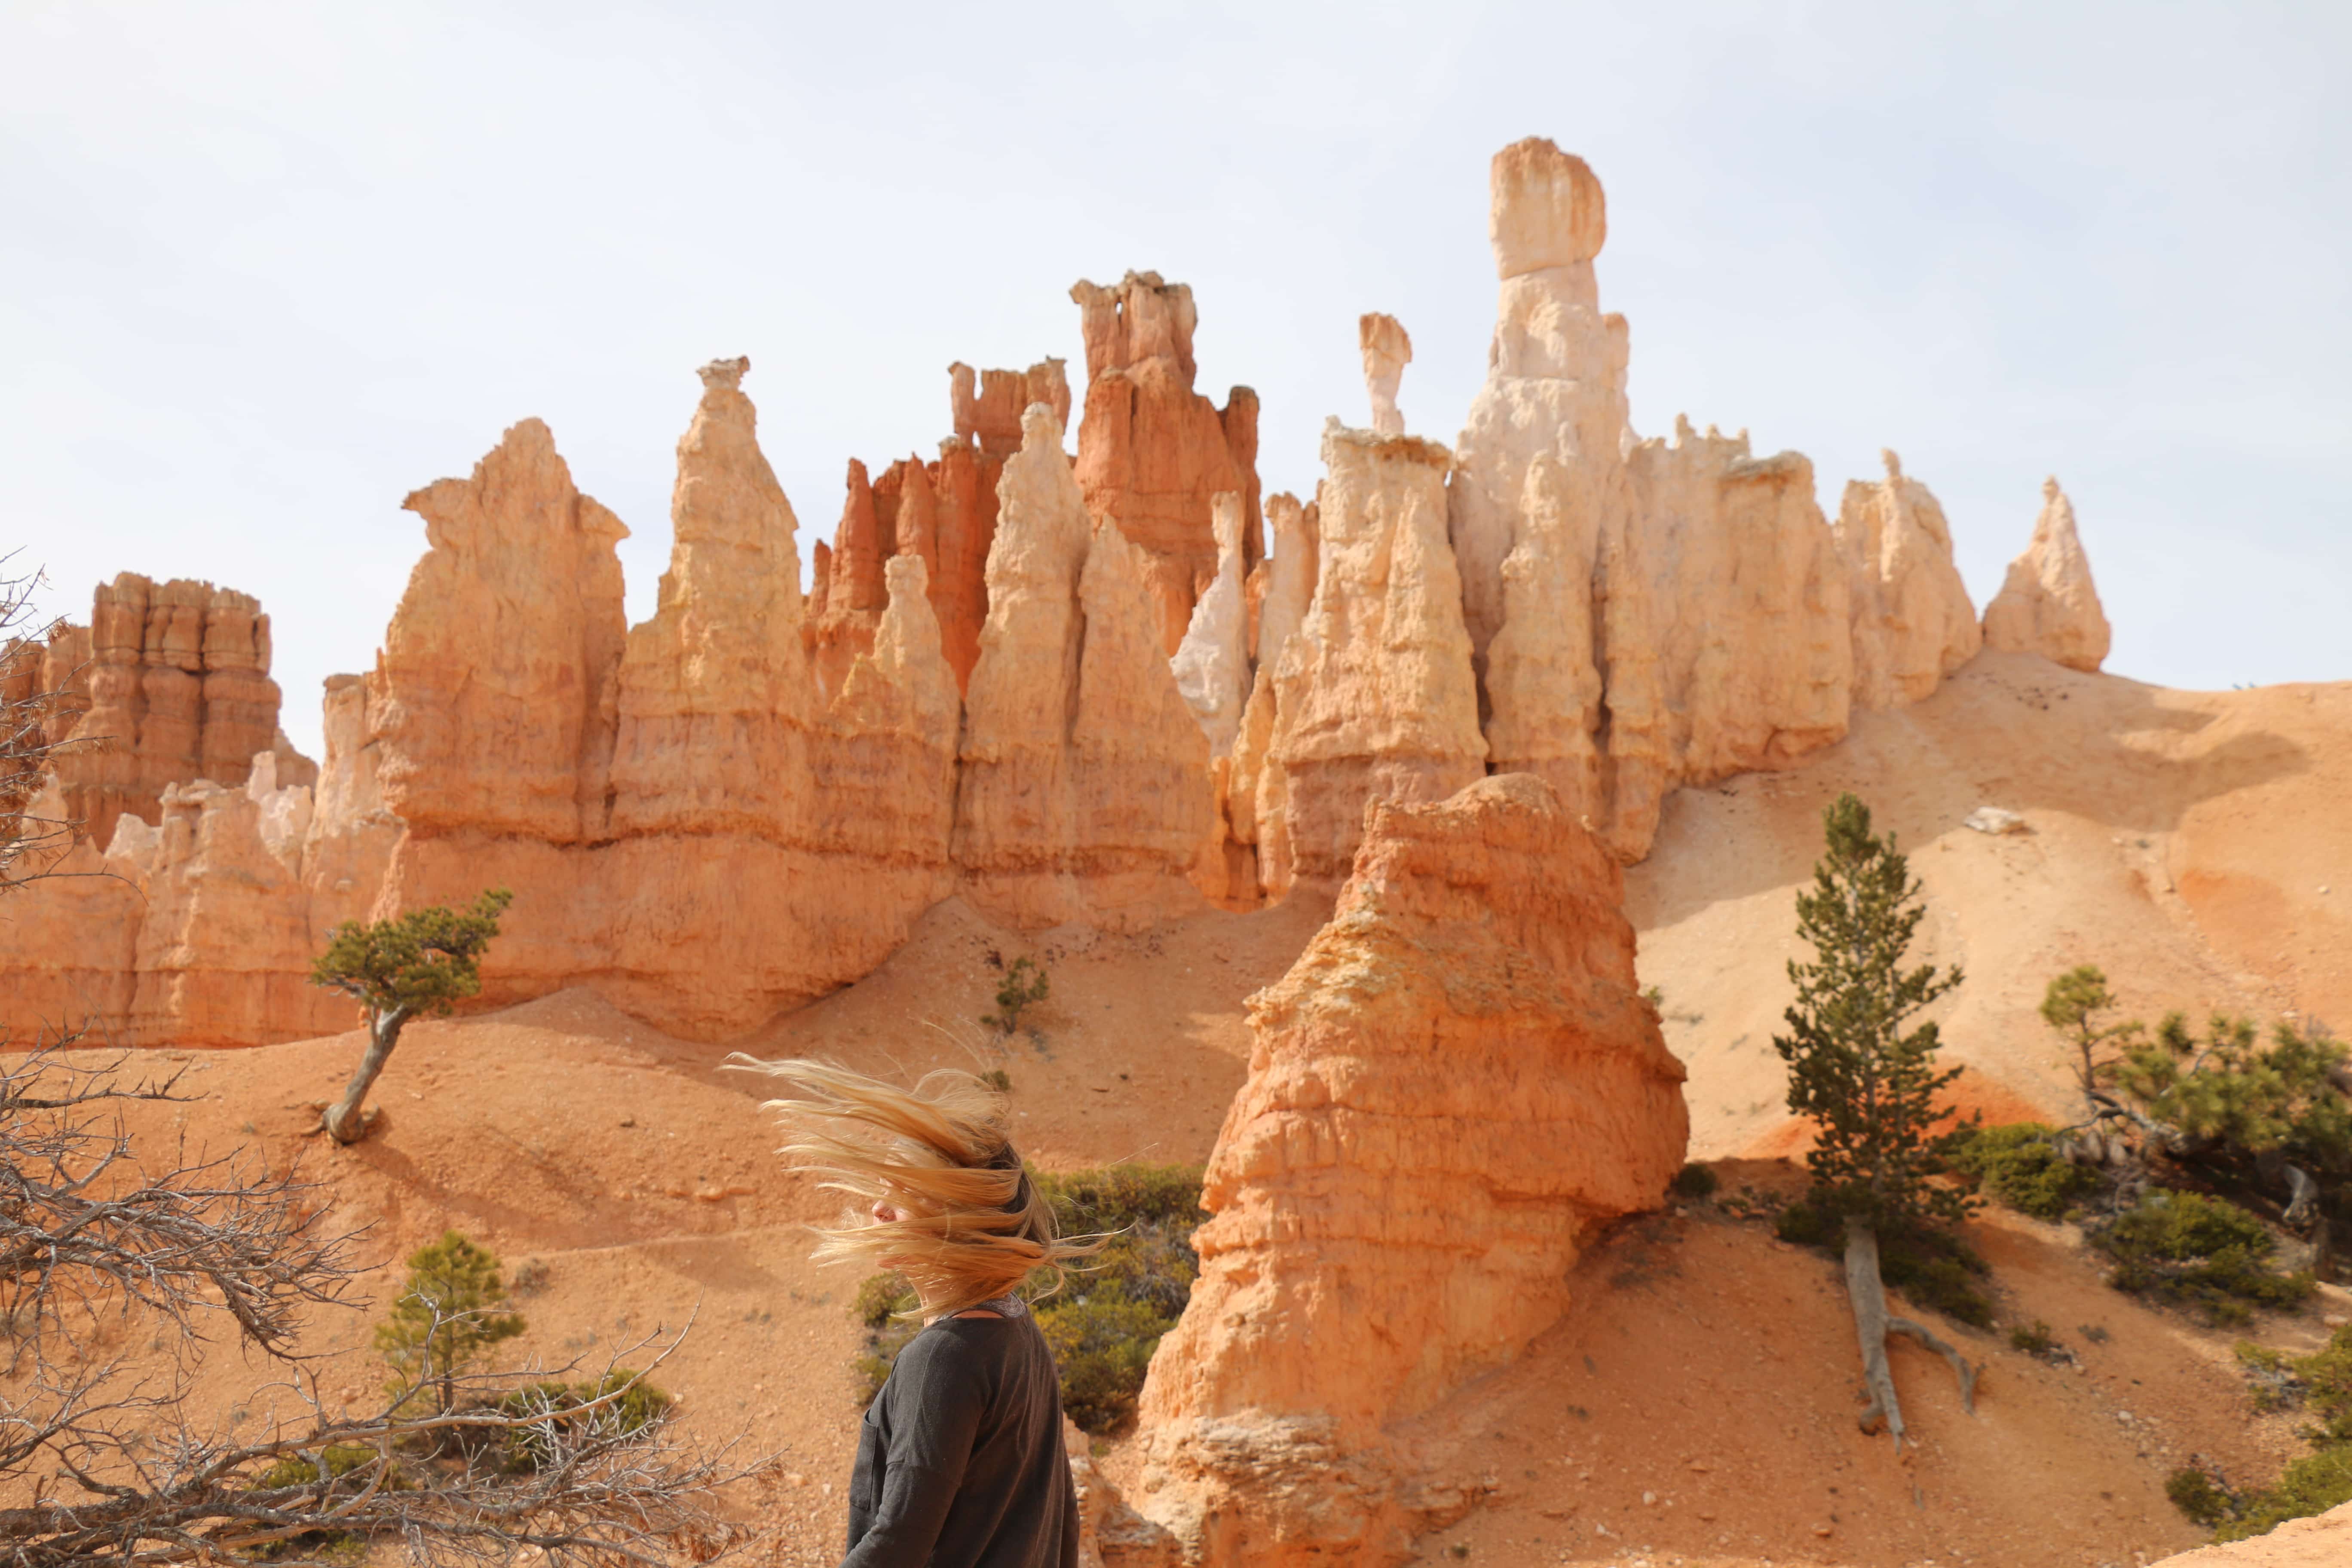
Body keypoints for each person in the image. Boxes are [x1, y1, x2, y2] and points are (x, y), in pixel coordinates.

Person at [734, 1057, 1093, 1568]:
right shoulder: (1019, 1330)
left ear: (951, 1220)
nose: (878, 1210)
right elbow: (1063, 1520)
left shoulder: (943, 1358)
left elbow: (899, 1543)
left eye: (903, 1197)